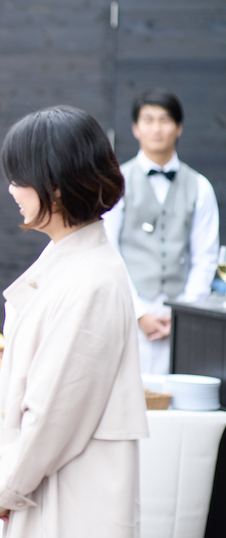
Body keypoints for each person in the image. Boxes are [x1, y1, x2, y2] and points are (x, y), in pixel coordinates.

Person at [0, 106, 149, 537]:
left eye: (19, 177)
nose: (12, 189)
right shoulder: (76, 265)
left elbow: (51, 418)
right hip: (55, 494)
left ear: (56, 186)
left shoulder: (91, 280)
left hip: (73, 504)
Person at [102, 90, 219, 375]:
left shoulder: (200, 186)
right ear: (135, 128)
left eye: (165, 120)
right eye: (148, 120)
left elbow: (205, 256)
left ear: (178, 128)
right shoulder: (117, 183)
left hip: (183, 315)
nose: (156, 128)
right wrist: (139, 312)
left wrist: (185, 310)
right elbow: (107, 251)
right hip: (128, 312)